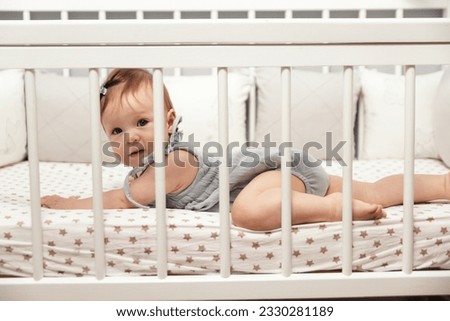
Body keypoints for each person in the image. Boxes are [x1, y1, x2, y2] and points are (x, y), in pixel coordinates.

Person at [41, 68, 450, 231]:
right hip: (280, 175)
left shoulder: (168, 165)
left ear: (169, 123)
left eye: (141, 123)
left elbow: (117, 200)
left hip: (267, 178)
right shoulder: (154, 163)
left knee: (246, 213)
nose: (128, 137)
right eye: (115, 129)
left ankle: (332, 208)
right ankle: (442, 185)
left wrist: (66, 203)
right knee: (376, 190)